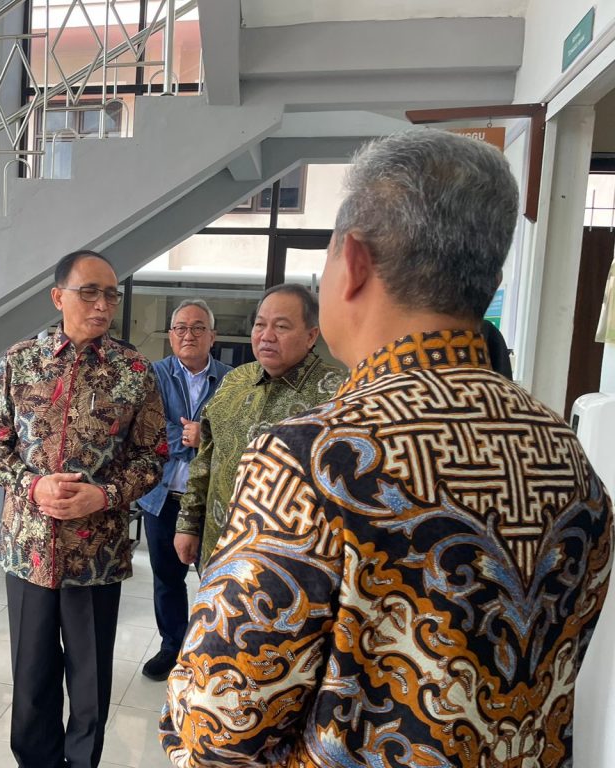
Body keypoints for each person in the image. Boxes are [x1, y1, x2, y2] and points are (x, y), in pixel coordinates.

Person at [160, 130, 614, 766]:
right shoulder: (565, 450)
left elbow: (220, 722)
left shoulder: (315, 455)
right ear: (489, 278)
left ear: (353, 261)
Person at [0, 250, 167, 768]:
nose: (102, 304)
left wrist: (104, 495)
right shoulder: (20, 361)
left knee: (89, 683)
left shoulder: (134, 370)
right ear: (58, 297)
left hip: (97, 553)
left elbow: (153, 456)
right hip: (29, 550)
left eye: (111, 295)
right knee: (31, 676)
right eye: (90, 292)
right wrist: (32, 485)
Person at [173, 284, 343, 569]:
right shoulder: (235, 381)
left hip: (292, 564)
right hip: (220, 549)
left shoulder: (336, 396)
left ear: (311, 335)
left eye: (281, 326)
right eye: (260, 325)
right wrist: (188, 524)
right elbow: (205, 459)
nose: (266, 336)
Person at [136, 300, 231, 681]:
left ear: (212, 335)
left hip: (212, 500)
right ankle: (172, 648)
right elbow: (145, 430)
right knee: (167, 579)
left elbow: (240, 435)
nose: (188, 335)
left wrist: (206, 435)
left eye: (197, 327)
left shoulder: (233, 381)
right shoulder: (153, 375)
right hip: (163, 498)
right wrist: (189, 438)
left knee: (216, 579)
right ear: (171, 334)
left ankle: (211, 652)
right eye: (180, 328)